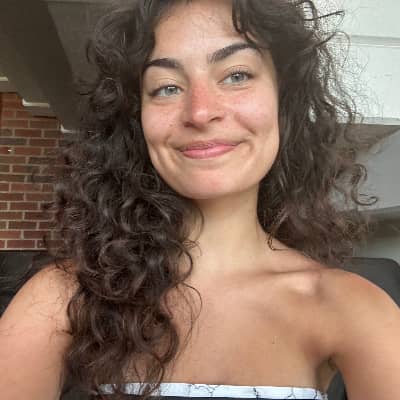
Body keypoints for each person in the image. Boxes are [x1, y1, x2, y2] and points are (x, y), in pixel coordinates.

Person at [0, 0, 399, 399]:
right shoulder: (61, 296)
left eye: (237, 75)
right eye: (167, 87)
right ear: (137, 122)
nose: (201, 111)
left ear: (284, 100)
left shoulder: (352, 306)